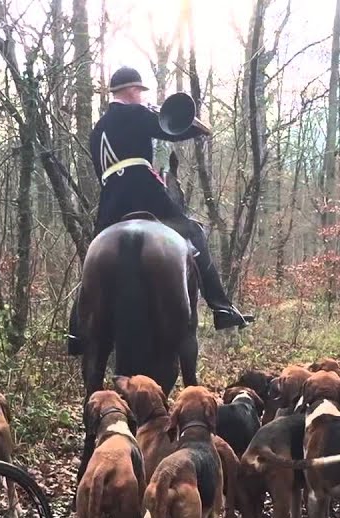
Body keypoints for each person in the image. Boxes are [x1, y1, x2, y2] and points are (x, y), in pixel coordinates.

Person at [66, 66, 253, 356]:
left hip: (110, 200)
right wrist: (196, 125)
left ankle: (77, 330)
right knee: (193, 232)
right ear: (131, 91)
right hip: (142, 189)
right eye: (139, 92)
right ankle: (221, 306)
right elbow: (173, 129)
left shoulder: (97, 129)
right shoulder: (138, 114)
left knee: (93, 256)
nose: (141, 97)